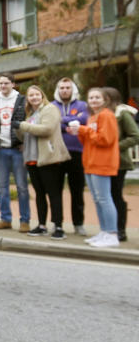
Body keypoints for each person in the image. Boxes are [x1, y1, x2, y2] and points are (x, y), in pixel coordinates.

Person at [70, 87, 120, 247]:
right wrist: (78, 132)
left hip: (102, 163)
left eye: (97, 97)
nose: (94, 100)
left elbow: (106, 140)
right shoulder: (93, 117)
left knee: (104, 198)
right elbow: (88, 141)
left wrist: (83, 130)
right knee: (98, 200)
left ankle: (112, 234)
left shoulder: (107, 115)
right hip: (90, 163)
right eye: (91, 98)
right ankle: (104, 231)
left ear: (105, 99)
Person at [18, 85, 70, 238]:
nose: (34, 97)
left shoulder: (50, 109)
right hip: (32, 159)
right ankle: (41, 225)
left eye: (36, 94)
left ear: (42, 95)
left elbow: (47, 129)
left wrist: (23, 125)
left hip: (48, 158)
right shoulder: (30, 114)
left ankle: (59, 227)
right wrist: (17, 128)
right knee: (39, 194)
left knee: (53, 194)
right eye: (30, 95)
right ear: (27, 98)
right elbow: (24, 136)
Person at [0, 73, 30, 231]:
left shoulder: (21, 100)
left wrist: (25, 142)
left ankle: (25, 220)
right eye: (0, 84)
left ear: (13, 84)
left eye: (6, 83)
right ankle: (5, 219)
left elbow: (29, 121)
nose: (3, 86)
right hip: (0, 150)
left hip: (18, 150)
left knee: (22, 187)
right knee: (2, 187)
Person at [52, 78, 89, 235]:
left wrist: (63, 120)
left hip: (77, 153)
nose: (65, 90)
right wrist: (72, 122)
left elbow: (84, 119)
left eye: (68, 87)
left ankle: (78, 223)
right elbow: (52, 123)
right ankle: (57, 223)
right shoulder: (52, 106)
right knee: (56, 190)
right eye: (62, 88)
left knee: (77, 190)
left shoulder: (82, 105)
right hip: (57, 153)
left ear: (73, 89)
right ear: (58, 90)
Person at [106, 87, 139, 242]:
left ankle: (121, 229)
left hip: (119, 162)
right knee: (106, 196)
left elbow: (135, 136)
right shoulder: (100, 114)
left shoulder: (122, 113)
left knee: (115, 195)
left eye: (103, 97)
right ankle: (108, 228)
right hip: (102, 162)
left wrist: (116, 147)